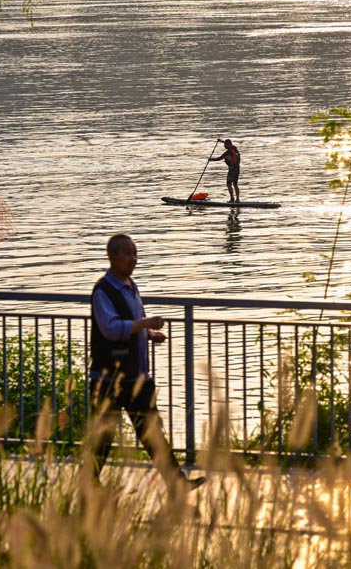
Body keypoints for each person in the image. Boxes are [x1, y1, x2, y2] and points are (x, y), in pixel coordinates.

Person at [88, 233, 205, 494]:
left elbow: (128, 325)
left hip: (137, 377)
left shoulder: (130, 285)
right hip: (110, 379)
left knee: (153, 434)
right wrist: (145, 323)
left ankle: (176, 485)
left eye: (135, 254)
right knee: (103, 436)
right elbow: (110, 329)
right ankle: (88, 483)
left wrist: (148, 334)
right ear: (112, 257)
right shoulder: (103, 291)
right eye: (127, 254)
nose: (133, 259)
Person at [209, 138, 241, 202]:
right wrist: (221, 141)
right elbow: (228, 143)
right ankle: (237, 199)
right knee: (235, 184)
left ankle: (232, 199)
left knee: (229, 184)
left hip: (232, 170)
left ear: (228, 145)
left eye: (225, 145)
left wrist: (211, 159)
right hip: (237, 168)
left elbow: (219, 158)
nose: (224, 146)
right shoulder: (235, 148)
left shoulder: (227, 152)